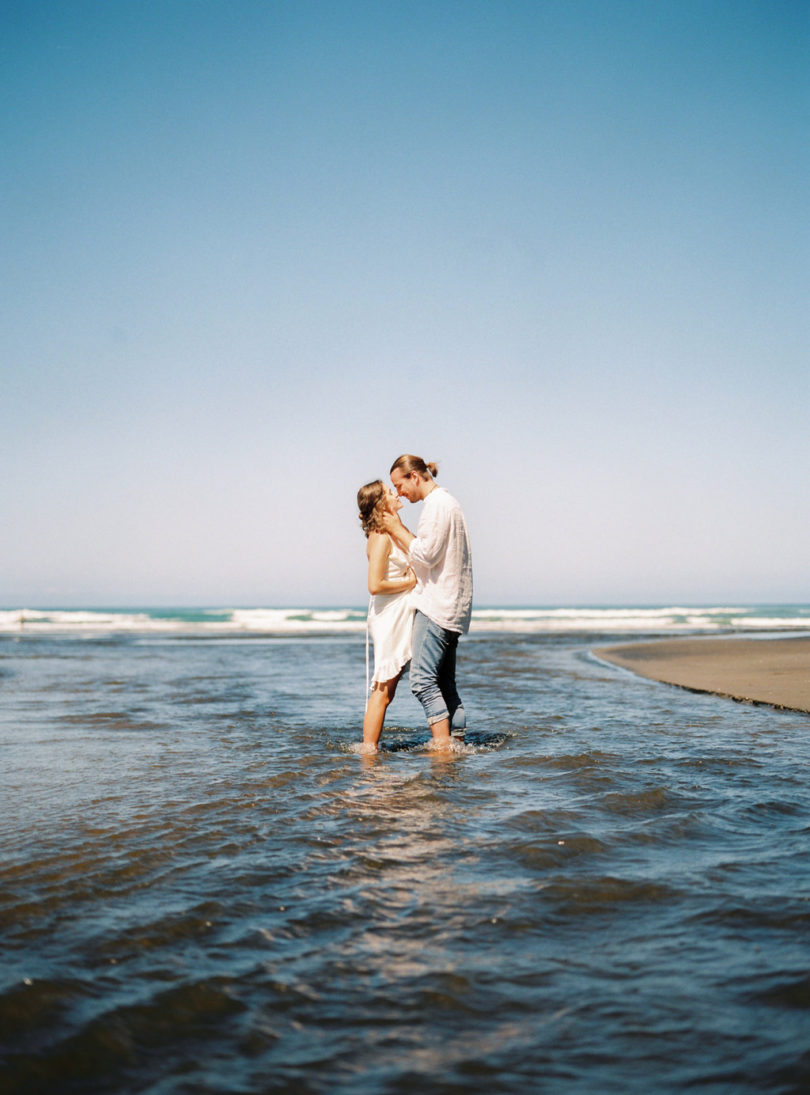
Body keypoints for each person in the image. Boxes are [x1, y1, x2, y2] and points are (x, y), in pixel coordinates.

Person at [381, 455, 473, 750]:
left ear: (415, 477)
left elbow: (426, 554)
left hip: (436, 605)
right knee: (445, 684)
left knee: (421, 681)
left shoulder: (436, 506)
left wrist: (396, 529)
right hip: (453, 607)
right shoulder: (450, 503)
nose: (398, 493)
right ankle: (457, 745)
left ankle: (443, 749)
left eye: (400, 485)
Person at [357, 479, 417, 751]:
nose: (395, 493)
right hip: (388, 615)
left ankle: (370, 748)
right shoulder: (380, 537)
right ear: (381, 503)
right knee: (382, 689)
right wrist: (411, 583)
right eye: (389, 491)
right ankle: (369, 750)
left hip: (399, 612)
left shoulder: (392, 532)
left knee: (387, 691)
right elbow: (375, 585)